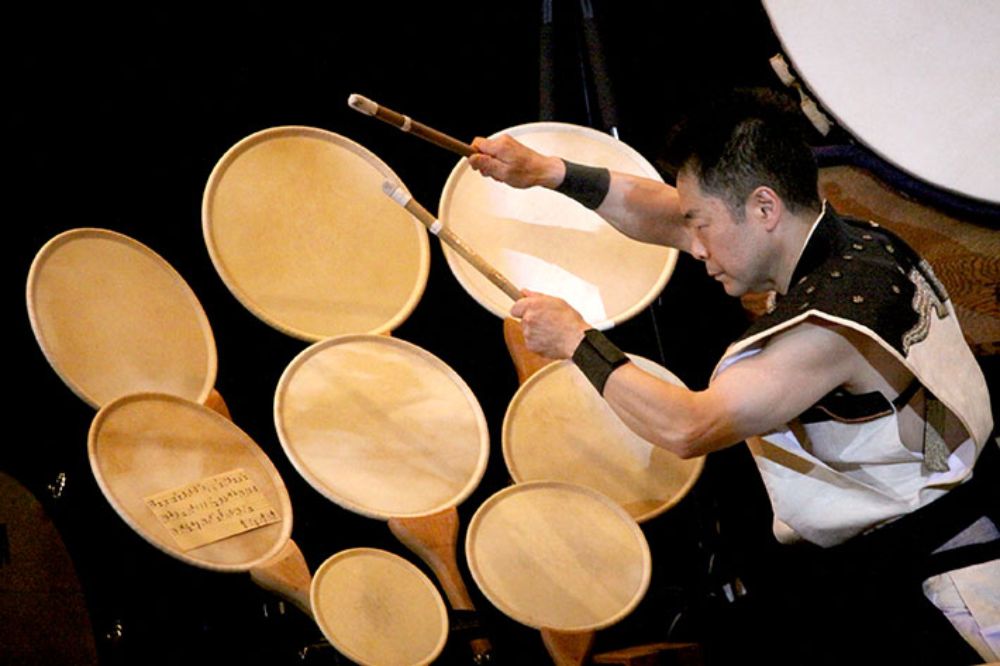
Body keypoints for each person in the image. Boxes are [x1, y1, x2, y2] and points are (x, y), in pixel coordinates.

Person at [468, 89, 997, 665]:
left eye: (702, 224)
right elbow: (665, 212)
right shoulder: (854, 240)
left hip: (941, 567)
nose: (692, 246)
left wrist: (576, 341)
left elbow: (688, 426)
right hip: (904, 538)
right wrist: (548, 171)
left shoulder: (830, 329)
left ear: (764, 208)